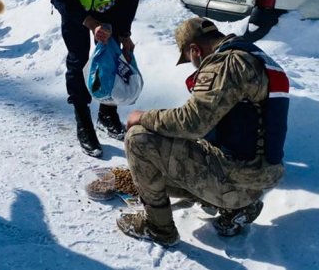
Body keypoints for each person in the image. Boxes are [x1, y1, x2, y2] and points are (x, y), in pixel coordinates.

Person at [116, 17, 289, 246]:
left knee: (138, 139)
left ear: (195, 50)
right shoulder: (251, 56)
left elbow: (192, 122)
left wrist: (143, 117)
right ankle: (237, 207)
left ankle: (159, 228)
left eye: (190, 59)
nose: (194, 65)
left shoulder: (224, 65)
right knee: (167, 154)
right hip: (255, 177)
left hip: (235, 182)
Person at [47, 0, 147, 158]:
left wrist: (123, 32)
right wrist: (90, 23)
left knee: (112, 57)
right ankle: (83, 121)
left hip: (110, 3)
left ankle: (107, 113)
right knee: (79, 59)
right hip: (76, 6)